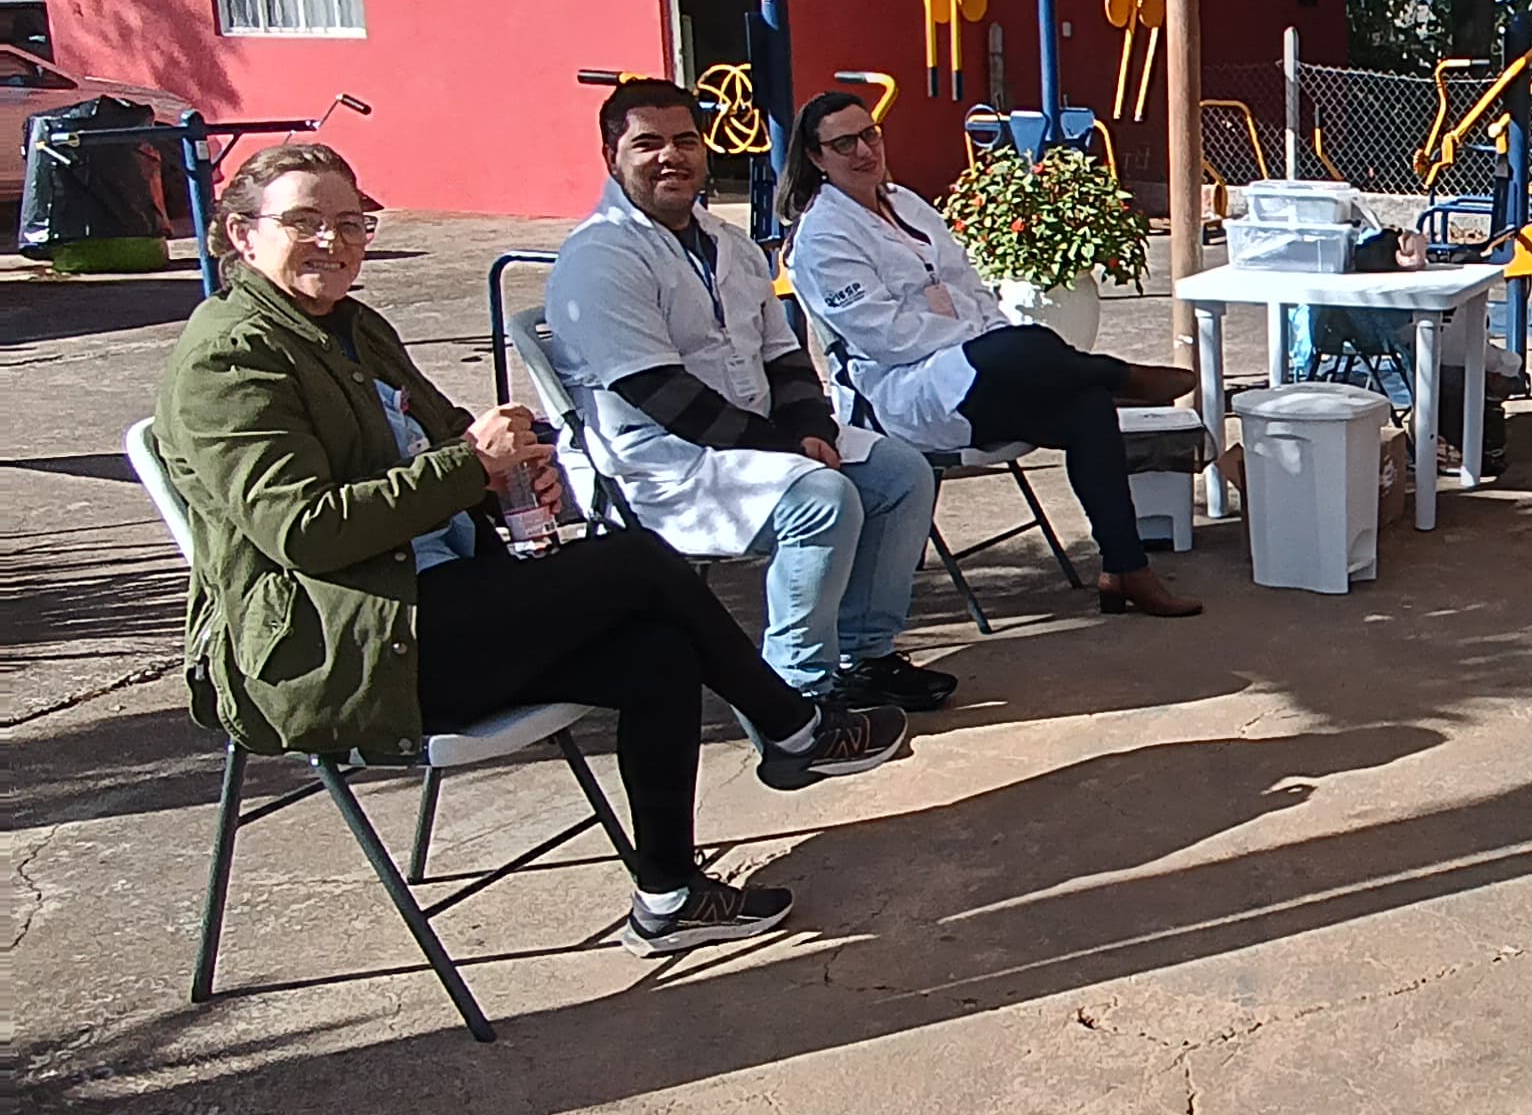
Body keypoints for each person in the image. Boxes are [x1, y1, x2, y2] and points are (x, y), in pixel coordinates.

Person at [153, 145, 911, 956]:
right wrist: (468, 468)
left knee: (655, 652)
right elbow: (305, 531)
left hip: (435, 597)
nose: (335, 243)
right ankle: (792, 726)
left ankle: (669, 894)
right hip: (347, 642)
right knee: (633, 561)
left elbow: (444, 434)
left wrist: (512, 470)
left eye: (351, 223)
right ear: (240, 235)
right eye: (306, 223)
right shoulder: (230, 358)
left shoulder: (350, 325)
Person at [544, 79, 953, 713]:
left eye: (685, 140)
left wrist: (811, 422)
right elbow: (659, 393)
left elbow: (782, 353)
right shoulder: (600, 258)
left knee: (901, 473)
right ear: (610, 156)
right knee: (822, 499)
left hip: (756, 439)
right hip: (665, 463)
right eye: (647, 143)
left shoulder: (729, 243)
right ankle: (794, 691)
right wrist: (790, 447)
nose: (671, 156)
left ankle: (864, 655)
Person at [778, 92, 1205, 617]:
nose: (864, 150)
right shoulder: (821, 235)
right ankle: (1119, 376)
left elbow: (970, 286)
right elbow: (882, 335)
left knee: (1084, 403)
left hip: (975, 370)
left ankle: (1125, 570)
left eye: (870, 135)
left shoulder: (906, 204)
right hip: (900, 388)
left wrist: (986, 341)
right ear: (816, 157)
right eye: (844, 143)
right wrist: (974, 345)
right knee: (1028, 358)